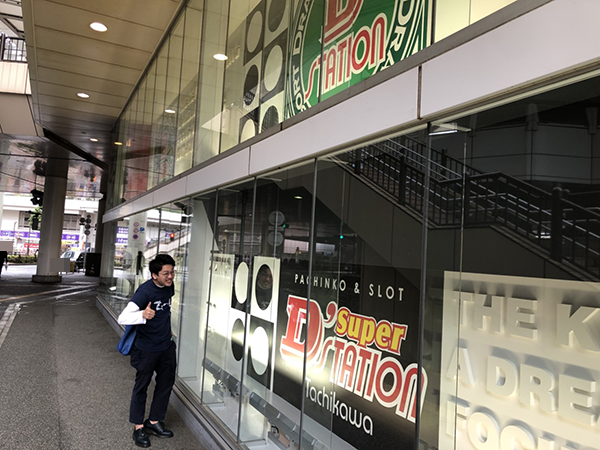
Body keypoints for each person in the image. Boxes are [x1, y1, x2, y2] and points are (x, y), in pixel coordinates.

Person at [118, 254, 177, 448]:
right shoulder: (144, 292)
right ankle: (138, 427)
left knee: (166, 383)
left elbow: (165, 311)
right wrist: (142, 314)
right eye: (166, 273)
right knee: (141, 386)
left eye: (172, 272)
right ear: (154, 275)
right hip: (146, 349)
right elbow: (122, 317)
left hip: (166, 346)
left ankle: (154, 421)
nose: (170, 276)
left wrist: (168, 330)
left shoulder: (169, 287)